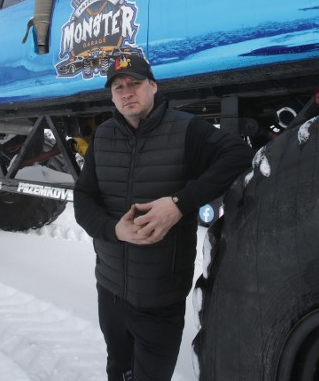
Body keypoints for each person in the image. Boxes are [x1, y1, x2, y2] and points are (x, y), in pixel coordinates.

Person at [73, 53, 254, 381]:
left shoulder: (186, 130)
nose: (127, 92)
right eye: (118, 87)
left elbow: (239, 156)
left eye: (135, 83)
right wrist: (114, 229)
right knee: (118, 369)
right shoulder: (103, 137)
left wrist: (179, 203)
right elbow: (83, 199)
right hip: (110, 287)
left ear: (153, 86)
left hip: (159, 295)